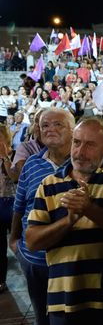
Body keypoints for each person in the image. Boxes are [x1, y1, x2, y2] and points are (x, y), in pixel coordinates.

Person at [25, 117, 103, 324]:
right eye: (77, 142)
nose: (79, 152)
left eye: (90, 145)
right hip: (63, 300)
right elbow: (33, 241)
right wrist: (68, 221)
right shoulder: (49, 183)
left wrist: (89, 209)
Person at [9, 108, 75, 325]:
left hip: (71, 261)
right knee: (41, 316)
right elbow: (19, 206)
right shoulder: (32, 163)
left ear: (73, 130)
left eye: (57, 124)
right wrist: (14, 242)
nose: (50, 129)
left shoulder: (83, 164)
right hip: (34, 259)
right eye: (45, 125)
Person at [0, 124, 16, 293]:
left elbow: (13, 176)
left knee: (18, 242)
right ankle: (1, 281)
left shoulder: (14, 153)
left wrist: (4, 157)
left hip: (11, 203)